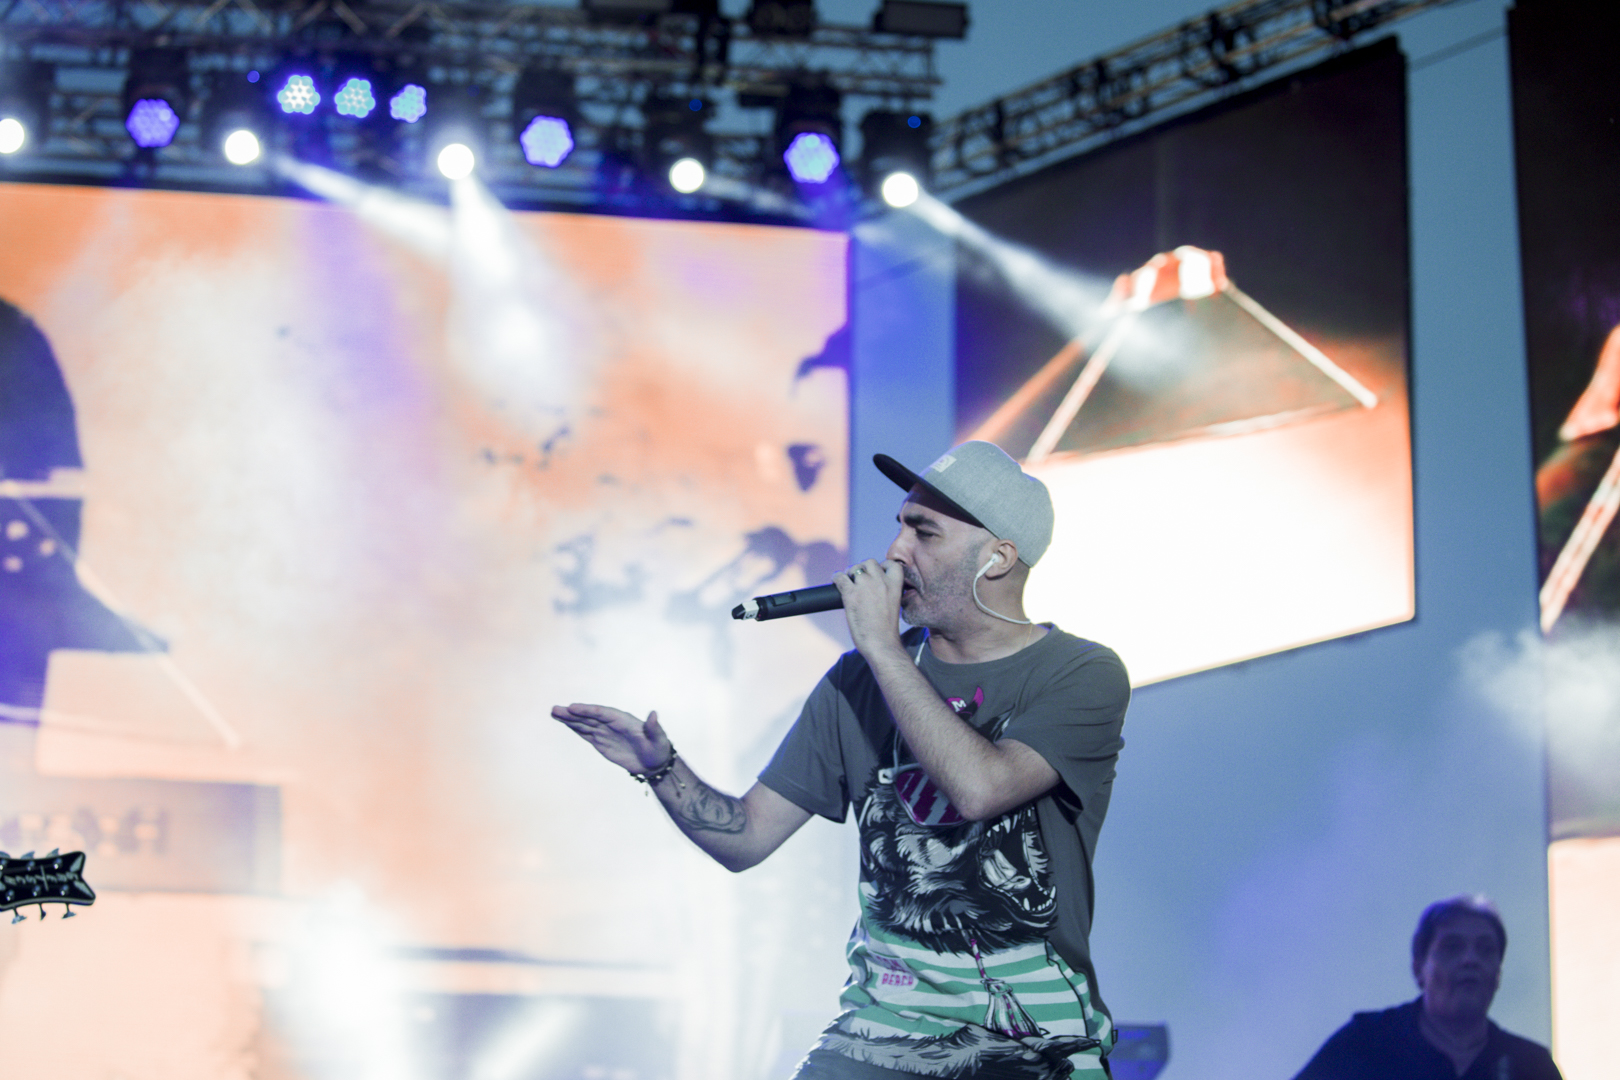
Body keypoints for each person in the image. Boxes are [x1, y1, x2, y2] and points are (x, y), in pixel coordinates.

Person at [553, 441, 1131, 1080]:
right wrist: (662, 769)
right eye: (899, 526)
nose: (895, 552)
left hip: (1032, 1044)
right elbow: (746, 837)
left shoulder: (1081, 673)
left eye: (924, 533)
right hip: (878, 1035)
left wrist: (882, 647)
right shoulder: (856, 681)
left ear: (996, 558)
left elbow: (982, 788)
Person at [1292, 896, 1563, 1080]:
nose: (1471, 960)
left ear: (1498, 975)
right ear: (1418, 969)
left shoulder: (1531, 1066)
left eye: (1485, 950)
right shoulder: (1364, 1044)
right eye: (1452, 947)